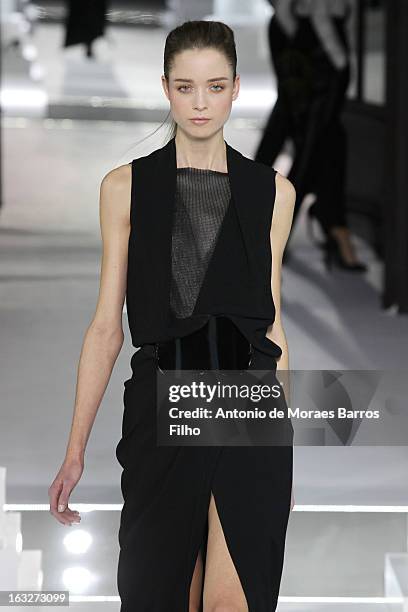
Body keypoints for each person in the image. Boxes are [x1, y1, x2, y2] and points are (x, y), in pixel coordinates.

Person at [48, 20, 296, 612]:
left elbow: (273, 326)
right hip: (165, 406)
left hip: (248, 409)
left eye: (215, 86)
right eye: (186, 87)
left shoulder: (273, 193)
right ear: (166, 88)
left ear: (236, 87)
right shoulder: (124, 188)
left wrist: (289, 437)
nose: (201, 102)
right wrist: (75, 448)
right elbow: (108, 325)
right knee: (160, 595)